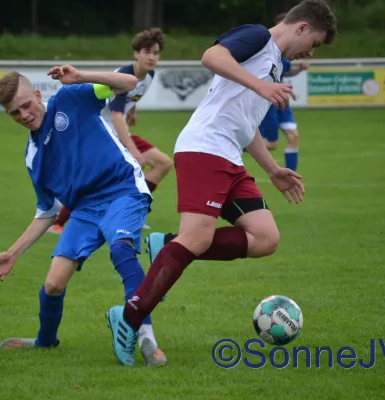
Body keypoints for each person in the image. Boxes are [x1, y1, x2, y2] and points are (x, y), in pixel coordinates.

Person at [105, 0, 338, 366]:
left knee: (265, 238)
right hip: (204, 148)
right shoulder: (258, 37)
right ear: (303, 27)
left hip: (230, 156)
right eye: (315, 43)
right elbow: (211, 56)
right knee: (196, 238)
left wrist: (273, 168)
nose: (311, 51)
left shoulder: (275, 66)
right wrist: (260, 86)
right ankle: (129, 316)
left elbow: (246, 127)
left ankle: (166, 245)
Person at [0, 66, 167, 366]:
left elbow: (129, 83)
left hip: (123, 189)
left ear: (38, 95)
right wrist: (13, 253)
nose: (25, 115)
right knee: (54, 283)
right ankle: (45, 341)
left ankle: (146, 337)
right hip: (85, 209)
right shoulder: (33, 158)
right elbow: (47, 212)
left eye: (27, 105)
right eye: (15, 113)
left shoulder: (69, 99)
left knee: (121, 248)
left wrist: (81, 76)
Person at [48, 27, 173, 234]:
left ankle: (131, 214)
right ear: (136, 53)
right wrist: (133, 150)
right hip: (100, 130)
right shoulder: (124, 75)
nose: (152, 57)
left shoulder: (149, 75)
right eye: (147, 52)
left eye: (156, 53)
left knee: (163, 163)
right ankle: (58, 223)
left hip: (117, 129)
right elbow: (115, 115)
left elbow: (128, 101)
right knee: (95, 178)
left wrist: (133, 110)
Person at [259, 12, 310, 172]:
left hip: (282, 101)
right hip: (268, 102)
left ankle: (291, 175)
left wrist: (299, 70)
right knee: (272, 144)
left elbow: (286, 72)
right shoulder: (264, 49)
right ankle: (239, 146)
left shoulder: (286, 53)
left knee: (293, 135)